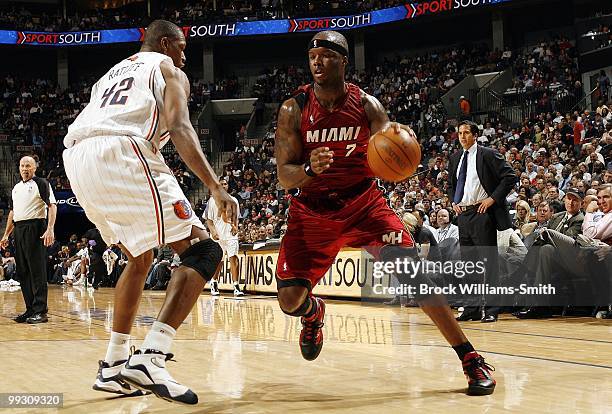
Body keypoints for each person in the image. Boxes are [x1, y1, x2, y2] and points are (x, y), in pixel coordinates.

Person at [274, 31, 495, 396]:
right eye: (312, 55)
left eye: (326, 55)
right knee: (289, 301)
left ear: (344, 62)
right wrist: (310, 169)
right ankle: (313, 313)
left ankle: (471, 359)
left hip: (364, 207)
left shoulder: (366, 105)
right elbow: (285, 174)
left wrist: (400, 143)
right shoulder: (294, 108)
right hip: (312, 213)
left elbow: (390, 146)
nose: (316, 61)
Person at [62, 20, 236, 404]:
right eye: (183, 47)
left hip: (77, 158)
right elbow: (179, 127)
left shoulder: (109, 74)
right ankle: (152, 357)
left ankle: (112, 364)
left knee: (138, 259)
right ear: (165, 44)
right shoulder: (167, 68)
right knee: (204, 251)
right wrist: (215, 186)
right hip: (123, 151)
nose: (185, 56)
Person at [449, 120, 518, 323]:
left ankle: (491, 309)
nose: (462, 136)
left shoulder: (487, 154)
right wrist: (454, 200)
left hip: (482, 212)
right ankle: (471, 308)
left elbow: (510, 176)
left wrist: (491, 199)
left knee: (488, 264)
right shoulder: (455, 158)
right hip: (463, 214)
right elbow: (452, 184)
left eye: (466, 133)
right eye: (460, 133)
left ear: (475, 135)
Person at [1, 156, 57, 324]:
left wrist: (50, 229)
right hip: (19, 229)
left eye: (28, 166)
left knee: (37, 271)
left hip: (35, 227)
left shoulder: (41, 183)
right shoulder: (16, 188)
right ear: (19, 168)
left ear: (34, 168)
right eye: (22, 166)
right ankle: (30, 309)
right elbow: (13, 213)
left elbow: (52, 206)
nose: (25, 169)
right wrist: (5, 235)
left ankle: (41, 311)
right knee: (23, 271)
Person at [205, 178, 244, 297]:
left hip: (231, 234)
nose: (224, 185)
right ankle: (214, 282)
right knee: (218, 261)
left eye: (225, 183)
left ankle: (236, 286)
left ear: (228, 185)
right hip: (218, 235)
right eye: (221, 184)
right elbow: (209, 220)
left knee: (233, 258)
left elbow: (236, 217)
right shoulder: (212, 201)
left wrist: (236, 227)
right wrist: (213, 232)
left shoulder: (234, 200)